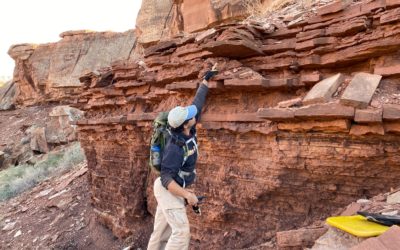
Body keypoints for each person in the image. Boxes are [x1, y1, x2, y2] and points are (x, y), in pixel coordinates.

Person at [147, 64, 218, 250]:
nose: (194, 114)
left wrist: (206, 80)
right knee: (180, 232)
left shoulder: (187, 129)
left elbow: (197, 104)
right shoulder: (175, 148)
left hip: (172, 189)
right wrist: (187, 195)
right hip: (167, 189)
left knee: (161, 233)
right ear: (185, 124)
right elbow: (165, 179)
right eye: (190, 116)